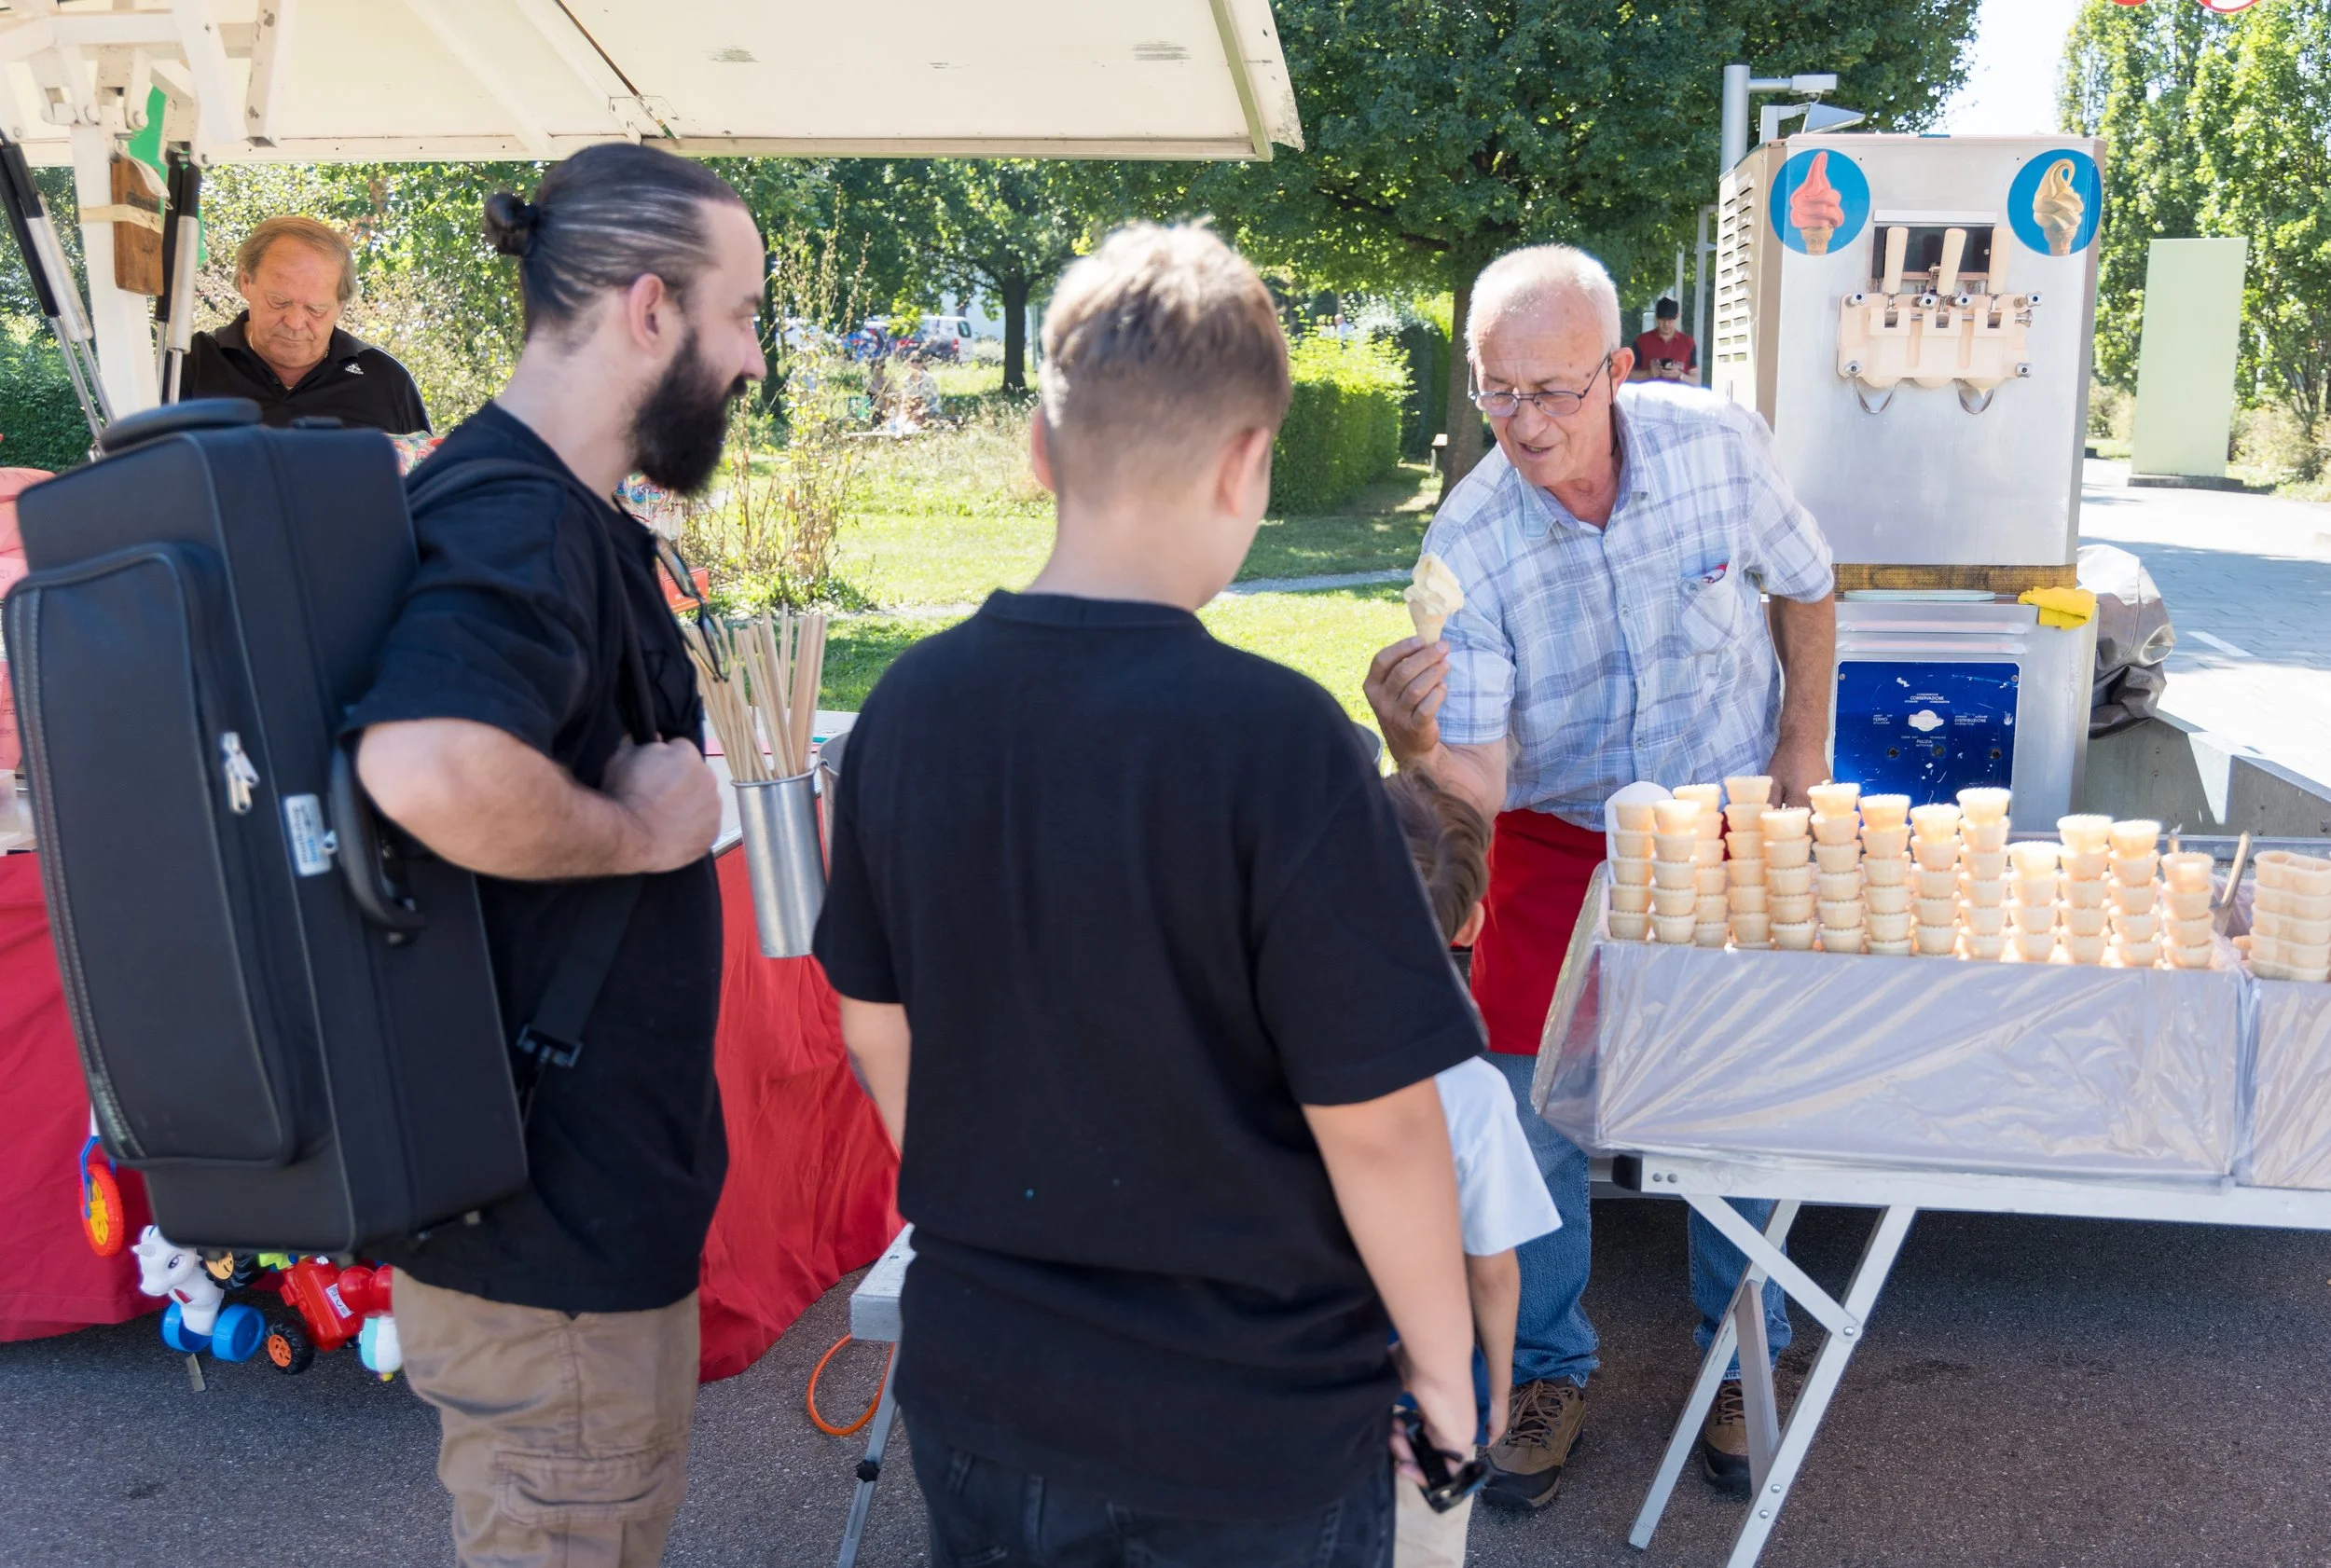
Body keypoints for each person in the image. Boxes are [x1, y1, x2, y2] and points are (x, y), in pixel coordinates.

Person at [814, 223, 1483, 1567]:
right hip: (1248, 1428)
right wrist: (1449, 1380)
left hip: (987, 1391)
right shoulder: (1284, 742)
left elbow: (875, 1030)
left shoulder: (906, 709)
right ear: (1249, 461)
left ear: (1039, 452)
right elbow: (1382, 1126)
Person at [346, 144, 766, 1568]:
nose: (755, 358)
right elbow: (423, 761)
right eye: (744, 315)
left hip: (564, 1229)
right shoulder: (516, 511)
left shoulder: (552, 508)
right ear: (651, 310)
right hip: (549, 1249)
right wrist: (644, 830)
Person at [1364, 243, 1836, 1509]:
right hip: (1560, 833)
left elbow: (1809, 582)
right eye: (1500, 392)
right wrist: (1410, 745)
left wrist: (1802, 740)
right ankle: (1551, 1367)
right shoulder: (1468, 540)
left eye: (1557, 390)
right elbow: (1475, 783)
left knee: (1731, 1099)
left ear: (1621, 370)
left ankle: (1744, 1356)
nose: (1526, 423)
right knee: (1528, 1106)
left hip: (1721, 813)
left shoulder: (1721, 446)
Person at [1381, 770, 1562, 1568]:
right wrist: (1498, 1384)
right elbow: (1492, 1270)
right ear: (1474, 922)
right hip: (1419, 1365)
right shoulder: (1473, 1090)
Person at [183, 215, 430, 432]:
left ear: (340, 306)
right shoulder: (191, 364)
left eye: (316, 309)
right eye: (278, 301)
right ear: (246, 281)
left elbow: (426, 481)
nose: (295, 322)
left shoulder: (386, 381)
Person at [1628, 296, 1697, 385]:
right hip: (1649, 396)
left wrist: (1680, 375)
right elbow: (1628, 375)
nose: (1666, 324)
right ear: (1656, 317)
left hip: (1678, 396)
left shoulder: (1688, 343)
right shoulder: (1642, 341)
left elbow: (1695, 381)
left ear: (1677, 316)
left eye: (1670, 320)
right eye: (1662, 320)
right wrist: (1649, 373)